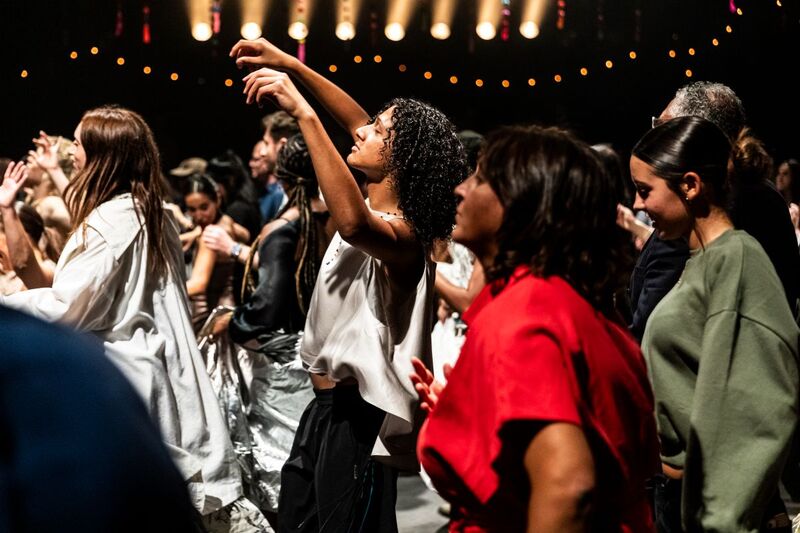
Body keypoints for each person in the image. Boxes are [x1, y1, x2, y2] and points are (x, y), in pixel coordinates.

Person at [231, 37, 468, 532]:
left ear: (400, 160)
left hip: (357, 418)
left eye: (377, 132)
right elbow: (356, 119)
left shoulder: (404, 236)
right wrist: (288, 64)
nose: (360, 133)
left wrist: (303, 114)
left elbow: (353, 226)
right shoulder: (378, 206)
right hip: (324, 411)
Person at [0, 106, 268, 531]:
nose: (73, 155)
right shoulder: (152, 211)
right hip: (169, 371)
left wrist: (9, 307)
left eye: (80, 145)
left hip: (134, 378)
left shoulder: (111, 223)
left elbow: (67, 309)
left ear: (104, 156)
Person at [412, 125, 660, 532]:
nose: (460, 189)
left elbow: (567, 485)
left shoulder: (524, 314)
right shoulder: (566, 298)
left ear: (521, 204)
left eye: (479, 179)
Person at [633, 116, 799, 532]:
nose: (637, 205)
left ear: (690, 185)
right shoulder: (702, 261)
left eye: (644, 191)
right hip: (683, 497)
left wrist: (722, 517)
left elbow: (758, 409)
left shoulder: (737, 260)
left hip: (708, 504)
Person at [0, 304, 201, 533]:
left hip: (129, 362)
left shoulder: (32, 353)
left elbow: (72, 305)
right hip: (134, 363)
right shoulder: (57, 347)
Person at [184, 173, 248, 334]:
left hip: (210, 316)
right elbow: (246, 235)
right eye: (192, 209)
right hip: (228, 309)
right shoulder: (227, 222)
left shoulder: (210, 237)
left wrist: (160, 291)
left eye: (204, 207)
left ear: (217, 200)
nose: (198, 216)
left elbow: (198, 285)